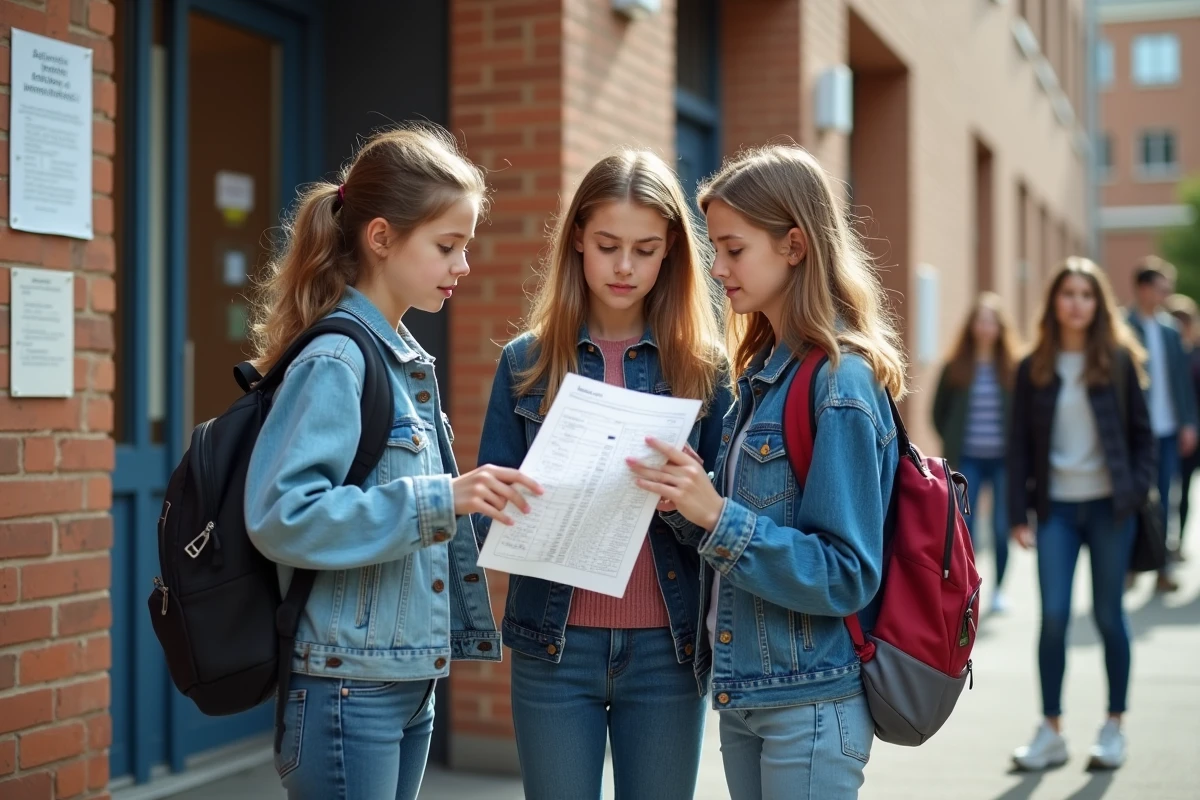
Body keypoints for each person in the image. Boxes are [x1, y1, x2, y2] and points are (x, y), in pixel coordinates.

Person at [243, 126, 541, 800]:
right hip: (348, 684)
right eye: (447, 246)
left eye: (465, 246)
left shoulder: (401, 359)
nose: (462, 266)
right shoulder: (338, 361)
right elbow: (281, 516)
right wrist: (445, 498)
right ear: (381, 238)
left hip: (403, 679)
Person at [628, 144, 905, 800]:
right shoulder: (761, 377)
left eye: (733, 248)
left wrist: (717, 515)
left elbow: (846, 573)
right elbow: (750, 541)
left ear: (795, 246)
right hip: (748, 694)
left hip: (808, 703)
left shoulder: (840, 382)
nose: (717, 268)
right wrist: (687, 506)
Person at [474, 150, 733, 800]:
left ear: (670, 250)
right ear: (578, 243)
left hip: (667, 652)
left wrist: (688, 498)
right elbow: (484, 517)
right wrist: (517, 505)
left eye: (645, 250)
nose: (625, 267)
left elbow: (731, 525)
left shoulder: (705, 368)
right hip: (554, 646)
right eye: (608, 245)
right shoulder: (526, 363)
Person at [1008, 258, 1156, 772]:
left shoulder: (1116, 360)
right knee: (1052, 618)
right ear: (1054, 302)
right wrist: (1017, 514)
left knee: (1109, 616)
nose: (1076, 302)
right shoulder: (1034, 367)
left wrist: (1135, 492)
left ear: (1098, 304)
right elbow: (1019, 447)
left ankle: (1114, 727)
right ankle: (1051, 731)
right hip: (1056, 512)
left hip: (1110, 510)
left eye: (1086, 294)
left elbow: (1143, 437)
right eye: (1067, 293)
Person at [932, 292, 1020, 612]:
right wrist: (954, 443)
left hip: (1004, 461)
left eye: (991, 321)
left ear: (1000, 327)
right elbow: (938, 413)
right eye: (980, 320)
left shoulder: (1012, 368)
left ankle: (999, 590)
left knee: (1000, 527)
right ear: (971, 326)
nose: (985, 327)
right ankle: (968, 589)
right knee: (965, 529)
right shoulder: (955, 366)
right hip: (968, 459)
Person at [1126, 257, 1199, 592]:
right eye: (1161, 286)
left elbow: (1181, 383)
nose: (1166, 293)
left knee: (1166, 497)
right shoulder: (1123, 326)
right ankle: (1130, 566)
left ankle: (1162, 570)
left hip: (1168, 431)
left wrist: (1188, 423)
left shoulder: (1170, 330)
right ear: (1143, 288)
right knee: (1134, 499)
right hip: (1136, 433)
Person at [1166, 292, 1200, 561]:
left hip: (1194, 432)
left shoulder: (1195, 354)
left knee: (1186, 491)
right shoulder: (1164, 355)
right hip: (1170, 432)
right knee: (1166, 491)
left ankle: (1178, 542)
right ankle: (1163, 542)